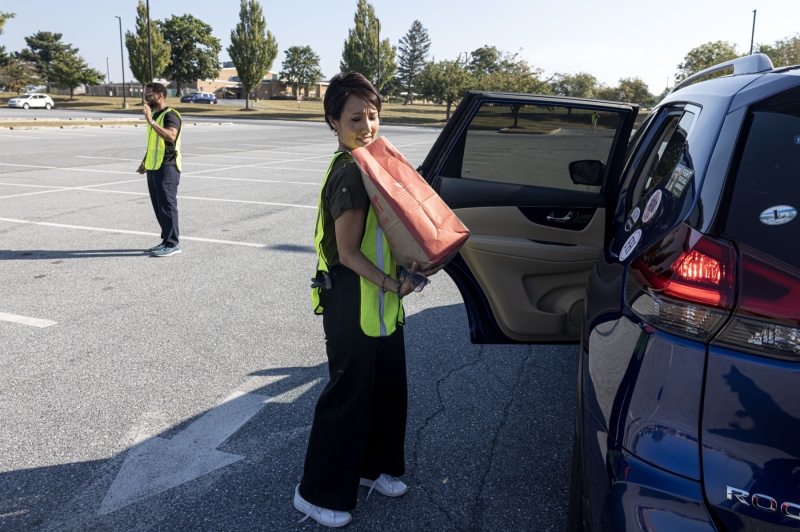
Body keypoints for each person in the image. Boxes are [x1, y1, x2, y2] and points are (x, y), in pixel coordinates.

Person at [294, 72, 443, 528]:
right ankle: (315, 492)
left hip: (382, 300)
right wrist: (394, 284)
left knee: (387, 389)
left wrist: (414, 263)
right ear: (333, 123)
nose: (367, 126)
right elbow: (348, 252)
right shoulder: (350, 173)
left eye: (373, 116)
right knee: (348, 395)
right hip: (351, 301)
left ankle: (372, 469)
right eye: (355, 118)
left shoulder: (373, 165)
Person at [137, 82, 183, 257]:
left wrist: (151, 121)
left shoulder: (170, 115)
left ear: (160, 95)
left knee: (168, 206)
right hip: (154, 167)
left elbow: (171, 136)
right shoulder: (156, 116)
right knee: (159, 207)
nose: (146, 98)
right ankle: (166, 240)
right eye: (145, 95)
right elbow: (153, 144)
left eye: (149, 95)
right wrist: (144, 162)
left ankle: (173, 243)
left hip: (168, 167)